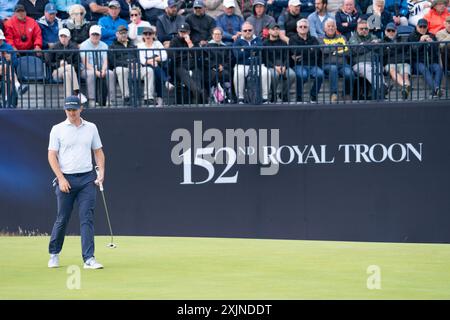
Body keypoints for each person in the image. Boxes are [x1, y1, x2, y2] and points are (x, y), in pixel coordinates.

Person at [47, 95, 105, 270]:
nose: (71, 113)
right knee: (62, 218)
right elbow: (52, 155)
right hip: (66, 179)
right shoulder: (57, 129)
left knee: (87, 218)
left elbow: (98, 152)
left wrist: (101, 172)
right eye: (68, 109)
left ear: (81, 109)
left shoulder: (91, 128)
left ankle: (89, 258)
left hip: (87, 179)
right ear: (65, 110)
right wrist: (61, 178)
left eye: (74, 109)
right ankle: (54, 253)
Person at [168, 23, 208, 104]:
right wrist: (188, 55)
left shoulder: (192, 40)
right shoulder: (174, 41)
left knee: (200, 90)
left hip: (193, 66)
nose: (182, 34)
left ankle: (199, 108)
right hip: (180, 67)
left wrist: (189, 43)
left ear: (189, 32)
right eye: (181, 32)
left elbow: (198, 56)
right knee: (195, 90)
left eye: (184, 32)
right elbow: (173, 57)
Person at [348, 19, 388, 99]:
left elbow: (379, 47)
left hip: (374, 62)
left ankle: (381, 90)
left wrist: (364, 45)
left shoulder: (373, 36)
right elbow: (357, 50)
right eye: (361, 29)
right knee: (369, 69)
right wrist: (371, 45)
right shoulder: (353, 38)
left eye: (366, 29)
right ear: (357, 29)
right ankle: (382, 87)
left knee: (378, 68)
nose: (364, 30)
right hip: (359, 64)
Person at [233, 21, 271, 103]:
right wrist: (252, 50)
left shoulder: (258, 39)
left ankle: (265, 97)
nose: (247, 32)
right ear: (242, 31)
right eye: (245, 30)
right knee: (238, 73)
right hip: (242, 64)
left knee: (266, 73)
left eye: (249, 30)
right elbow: (237, 55)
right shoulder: (237, 41)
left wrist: (244, 49)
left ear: (253, 30)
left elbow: (260, 48)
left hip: (258, 64)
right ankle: (240, 98)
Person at [80, 25, 116, 107]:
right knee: (91, 74)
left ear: (100, 35)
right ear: (90, 34)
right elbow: (85, 63)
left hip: (101, 68)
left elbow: (105, 60)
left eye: (97, 34)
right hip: (87, 69)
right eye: (93, 34)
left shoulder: (104, 45)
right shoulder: (84, 45)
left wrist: (103, 70)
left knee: (110, 73)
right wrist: (95, 71)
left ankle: (111, 99)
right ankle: (92, 100)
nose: (95, 36)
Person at [46, 28, 87, 102]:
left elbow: (77, 64)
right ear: (59, 37)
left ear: (69, 37)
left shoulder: (74, 48)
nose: (63, 38)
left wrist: (66, 64)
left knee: (67, 74)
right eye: (61, 36)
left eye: (65, 36)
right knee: (68, 68)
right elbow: (48, 62)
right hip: (56, 72)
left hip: (70, 72)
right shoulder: (54, 47)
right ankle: (77, 92)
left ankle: (67, 100)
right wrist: (59, 64)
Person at [289, 18, 324, 102]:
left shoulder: (313, 39)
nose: (303, 28)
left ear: (308, 29)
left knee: (320, 74)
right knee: (302, 75)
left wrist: (302, 51)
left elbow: (317, 51)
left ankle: (313, 95)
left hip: (312, 65)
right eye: (300, 26)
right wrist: (310, 49)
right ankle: (299, 97)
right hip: (298, 65)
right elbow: (295, 51)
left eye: (305, 26)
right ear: (297, 29)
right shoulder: (292, 39)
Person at [319, 18, 353, 102]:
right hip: (327, 65)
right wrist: (337, 46)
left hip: (342, 65)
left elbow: (347, 51)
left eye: (333, 26)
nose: (331, 28)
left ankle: (346, 93)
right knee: (333, 69)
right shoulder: (320, 38)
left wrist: (333, 50)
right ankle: (333, 94)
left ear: (336, 27)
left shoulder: (342, 37)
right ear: (324, 28)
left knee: (350, 73)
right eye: (329, 26)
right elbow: (324, 51)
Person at [138, 26, 173, 106]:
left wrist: (155, 59)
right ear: (143, 36)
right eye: (145, 34)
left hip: (158, 65)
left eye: (150, 34)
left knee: (156, 72)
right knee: (154, 68)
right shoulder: (140, 45)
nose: (148, 36)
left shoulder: (157, 43)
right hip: (146, 67)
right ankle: (165, 83)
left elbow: (164, 56)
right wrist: (151, 61)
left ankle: (160, 98)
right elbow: (142, 60)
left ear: (153, 35)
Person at [408, 18, 443, 98]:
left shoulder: (432, 36)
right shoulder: (412, 36)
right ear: (417, 26)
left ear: (427, 27)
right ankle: (436, 89)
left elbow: (436, 50)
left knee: (438, 68)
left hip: (430, 62)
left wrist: (432, 43)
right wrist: (421, 41)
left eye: (424, 27)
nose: (422, 29)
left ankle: (435, 91)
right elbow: (413, 50)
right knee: (424, 69)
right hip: (417, 62)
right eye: (421, 27)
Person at [263, 22, 296, 102]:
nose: (275, 31)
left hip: (283, 66)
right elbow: (265, 59)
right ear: (269, 31)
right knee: (274, 75)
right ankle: (273, 94)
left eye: (277, 29)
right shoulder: (265, 44)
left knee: (292, 74)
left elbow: (287, 57)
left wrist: (285, 66)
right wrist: (274, 67)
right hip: (270, 66)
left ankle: (283, 94)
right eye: (273, 29)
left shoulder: (283, 43)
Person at [108, 25, 138, 105]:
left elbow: (138, 57)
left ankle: (148, 98)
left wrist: (135, 63)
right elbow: (112, 62)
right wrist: (127, 64)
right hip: (119, 69)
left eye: (125, 33)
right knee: (122, 70)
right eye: (121, 33)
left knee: (149, 71)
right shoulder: (112, 46)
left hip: (134, 68)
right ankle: (126, 97)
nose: (124, 35)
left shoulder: (132, 45)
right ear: (117, 34)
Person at [383, 22, 411, 99]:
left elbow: (402, 48)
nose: (391, 32)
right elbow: (383, 53)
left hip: (403, 61)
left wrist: (389, 48)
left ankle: (405, 89)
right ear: (385, 31)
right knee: (392, 71)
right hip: (390, 63)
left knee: (405, 76)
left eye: (393, 31)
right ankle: (406, 86)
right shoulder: (382, 41)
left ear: (396, 31)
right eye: (388, 30)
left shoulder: (402, 39)